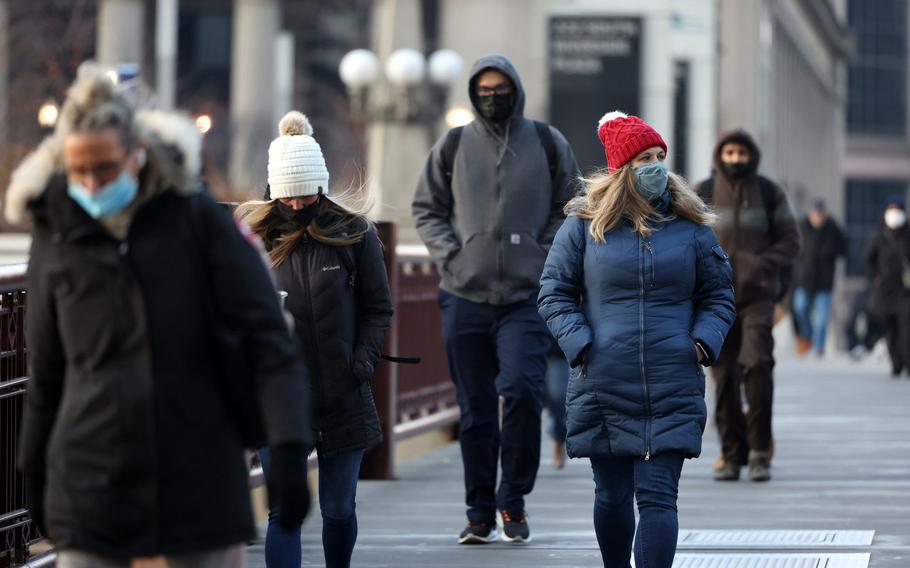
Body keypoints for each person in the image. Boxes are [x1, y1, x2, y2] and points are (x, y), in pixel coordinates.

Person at [7, 62, 312, 567]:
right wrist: (34, 473)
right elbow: (48, 372)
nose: (90, 182)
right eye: (77, 170)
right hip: (92, 483)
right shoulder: (56, 236)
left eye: (104, 168)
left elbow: (269, 344)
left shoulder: (199, 225)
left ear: (137, 154)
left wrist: (287, 445)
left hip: (198, 478)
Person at [538, 111, 735, 568]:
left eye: (659, 156)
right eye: (644, 158)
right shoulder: (584, 225)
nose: (655, 166)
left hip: (673, 378)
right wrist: (582, 344)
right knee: (611, 495)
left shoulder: (692, 227)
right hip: (604, 380)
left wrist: (702, 343)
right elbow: (554, 292)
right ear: (622, 168)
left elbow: (719, 294)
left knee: (659, 498)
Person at [412, 53, 580, 544]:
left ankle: (513, 500)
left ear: (515, 90)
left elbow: (570, 205)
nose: (492, 97)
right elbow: (427, 207)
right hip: (463, 293)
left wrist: (543, 255)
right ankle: (478, 510)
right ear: (472, 93)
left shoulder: (548, 142)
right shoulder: (454, 144)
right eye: (482, 90)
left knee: (523, 393)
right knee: (476, 408)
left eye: (499, 89)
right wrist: (452, 255)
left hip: (526, 299)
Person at [236, 111, 393, 568]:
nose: (298, 206)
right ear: (273, 191)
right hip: (278, 399)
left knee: (339, 509)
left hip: (343, 391)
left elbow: (378, 307)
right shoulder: (254, 240)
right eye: (288, 197)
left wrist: (361, 363)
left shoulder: (354, 234)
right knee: (283, 510)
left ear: (321, 186)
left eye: (305, 195)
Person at [696, 129, 801, 482]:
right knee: (724, 376)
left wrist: (760, 264)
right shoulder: (703, 192)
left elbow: (791, 241)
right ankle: (731, 454)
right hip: (715, 299)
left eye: (742, 153)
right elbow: (683, 238)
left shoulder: (769, 193)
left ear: (751, 155)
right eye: (729, 153)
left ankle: (759, 452)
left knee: (758, 367)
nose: (736, 159)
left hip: (758, 297)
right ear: (719, 155)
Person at [792, 199, 847, 356]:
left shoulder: (833, 228)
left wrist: (831, 252)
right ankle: (807, 335)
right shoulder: (801, 227)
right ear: (811, 214)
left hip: (824, 282)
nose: (818, 217)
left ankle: (819, 347)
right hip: (804, 279)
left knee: (822, 318)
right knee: (800, 308)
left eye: (821, 214)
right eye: (816, 214)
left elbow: (844, 248)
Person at [864, 196, 910, 378]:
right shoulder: (880, 234)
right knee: (890, 329)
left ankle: (907, 362)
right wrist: (874, 278)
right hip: (885, 290)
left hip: (906, 290)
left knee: (906, 328)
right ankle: (895, 363)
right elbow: (868, 260)